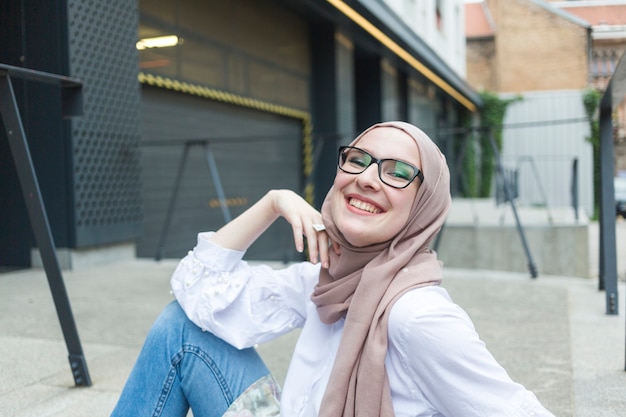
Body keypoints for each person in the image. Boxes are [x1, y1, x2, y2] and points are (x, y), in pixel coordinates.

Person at [110, 121, 555, 417]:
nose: (367, 178)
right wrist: (273, 202)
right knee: (181, 329)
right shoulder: (325, 279)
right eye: (358, 160)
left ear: (424, 207)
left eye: (398, 171)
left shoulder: (415, 315)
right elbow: (197, 288)